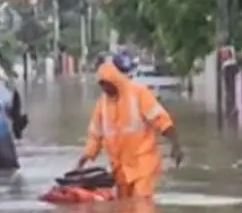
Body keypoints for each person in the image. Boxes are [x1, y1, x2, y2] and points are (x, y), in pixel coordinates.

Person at [75, 54, 184, 199]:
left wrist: (176, 145)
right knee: (125, 207)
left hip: (142, 162)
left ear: (115, 80)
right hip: (120, 169)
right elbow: (95, 136)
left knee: (140, 203)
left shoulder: (138, 94)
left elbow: (161, 120)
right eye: (101, 85)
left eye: (107, 84)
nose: (105, 88)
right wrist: (83, 160)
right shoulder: (102, 105)